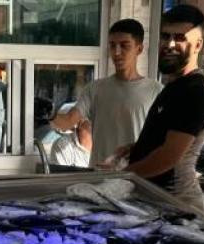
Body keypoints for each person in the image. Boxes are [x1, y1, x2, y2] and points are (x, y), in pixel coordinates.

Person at [117, 4, 204, 209]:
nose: (169, 44)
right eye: (165, 36)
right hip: (156, 201)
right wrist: (136, 148)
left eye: (180, 38)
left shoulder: (195, 90)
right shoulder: (175, 86)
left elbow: (168, 157)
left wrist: (119, 177)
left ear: (197, 45)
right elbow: (167, 139)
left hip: (175, 205)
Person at [48, 19, 161, 168]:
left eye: (124, 46)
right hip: (99, 174)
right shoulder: (95, 89)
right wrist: (49, 114)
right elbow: (68, 121)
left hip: (135, 175)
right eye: (112, 45)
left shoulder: (156, 91)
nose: (117, 52)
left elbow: (161, 141)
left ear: (139, 49)